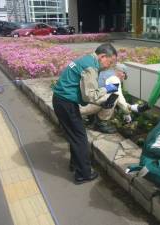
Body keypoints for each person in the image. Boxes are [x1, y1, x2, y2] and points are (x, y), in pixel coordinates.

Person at [52, 43, 118, 184]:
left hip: (61, 100)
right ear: (102, 56)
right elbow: (89, 95)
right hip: (66, 103)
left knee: (74, 135)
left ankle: (75, 165)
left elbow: (83, 91)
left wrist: (100, 102)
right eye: (110, 62)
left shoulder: (87, 59)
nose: (109, 66)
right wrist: (108, 88)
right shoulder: (91, 67)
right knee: (80, 138)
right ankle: (83, 174)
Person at [81, 63, 149, 133]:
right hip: (90, 105)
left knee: (108, 95)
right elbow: (118, 96)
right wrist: (127, 112)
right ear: (122, 73)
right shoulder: (114, 79)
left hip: (86, 102)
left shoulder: (105, 73)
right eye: (124, 76)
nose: (123, 79)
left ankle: (91, 120)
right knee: (113, 98)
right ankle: (101, 123)